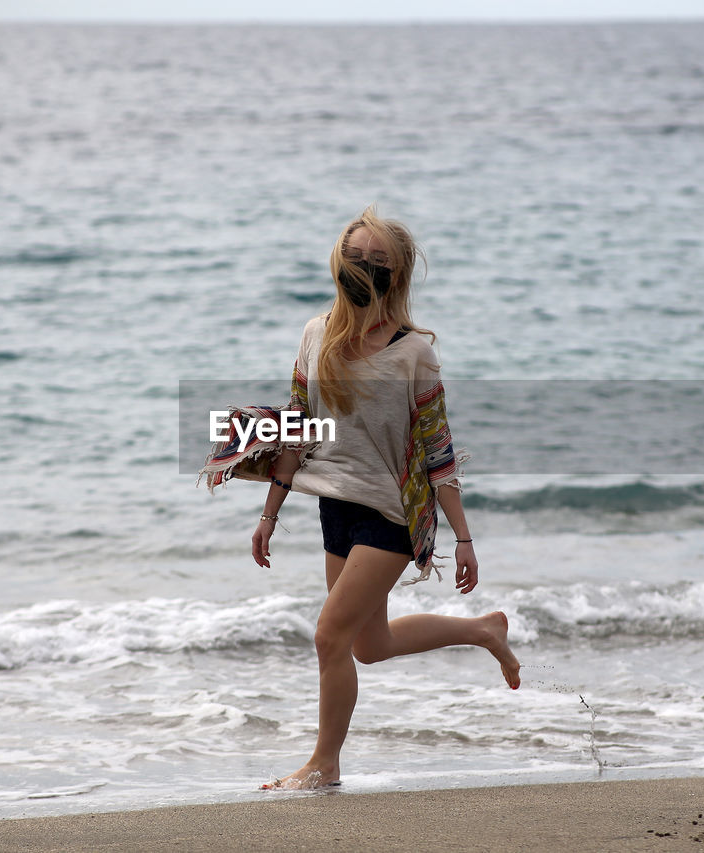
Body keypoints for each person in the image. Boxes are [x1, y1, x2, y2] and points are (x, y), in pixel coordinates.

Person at [221, 206, 520, 791]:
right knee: (369, 645)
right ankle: (485, 630)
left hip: (393, 514)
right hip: (335, 505)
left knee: (329, 637)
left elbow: (438, 452)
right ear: (339, 262)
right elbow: (296, 429)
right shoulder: (315, 336)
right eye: (356, 258)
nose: (364, 268)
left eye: (378, 261)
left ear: (398, 273)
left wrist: (462, 537)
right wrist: (268, 515)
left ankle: (323, 765)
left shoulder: (414, 354)